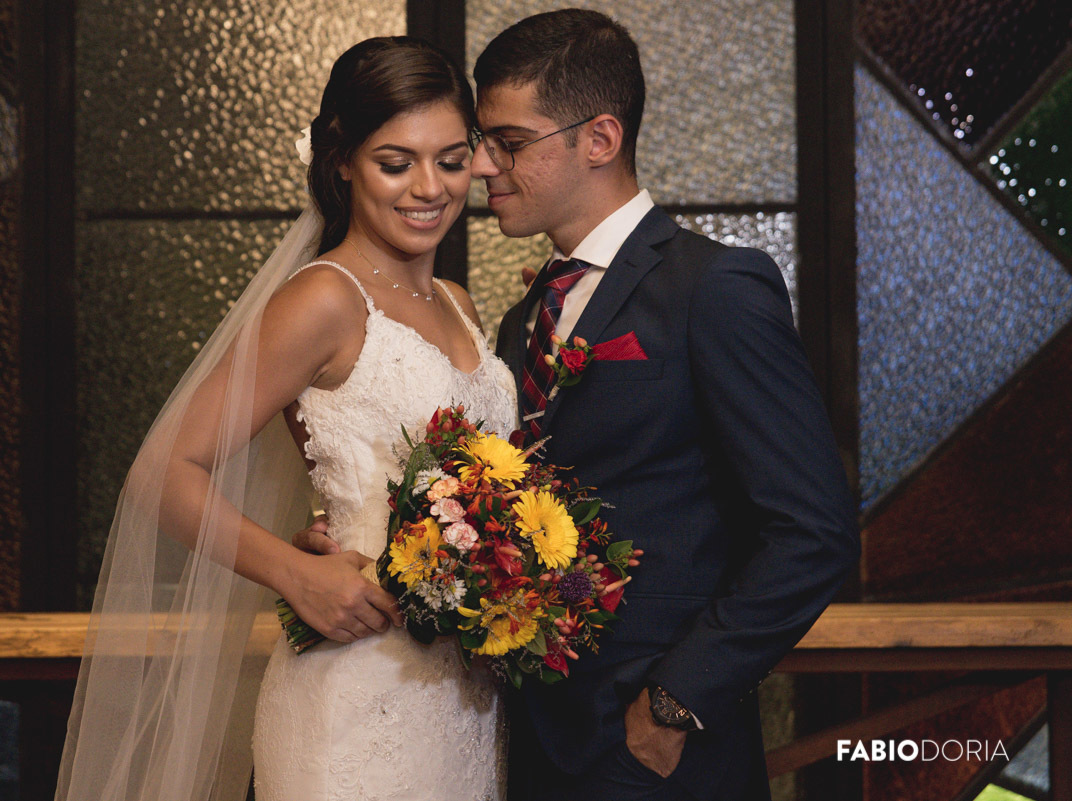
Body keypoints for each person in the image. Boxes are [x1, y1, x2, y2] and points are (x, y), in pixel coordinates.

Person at [55, 37, 515, 801]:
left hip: (464, 701)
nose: (429, 187)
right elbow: (161, 470)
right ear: (343, 162)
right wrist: (294, 571)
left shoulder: (456, 302)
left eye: (451, 159)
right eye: (395, 163)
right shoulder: (325, 298)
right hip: (356, 688)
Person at [471, 10, 861, 801]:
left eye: (508, 141)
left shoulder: (714, 287)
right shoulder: (524, 317)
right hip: (534, 741)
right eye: (484, 141)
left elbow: (814, 531)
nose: (482, 164)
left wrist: (674, 702)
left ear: (600, 138)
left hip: (657, 752)